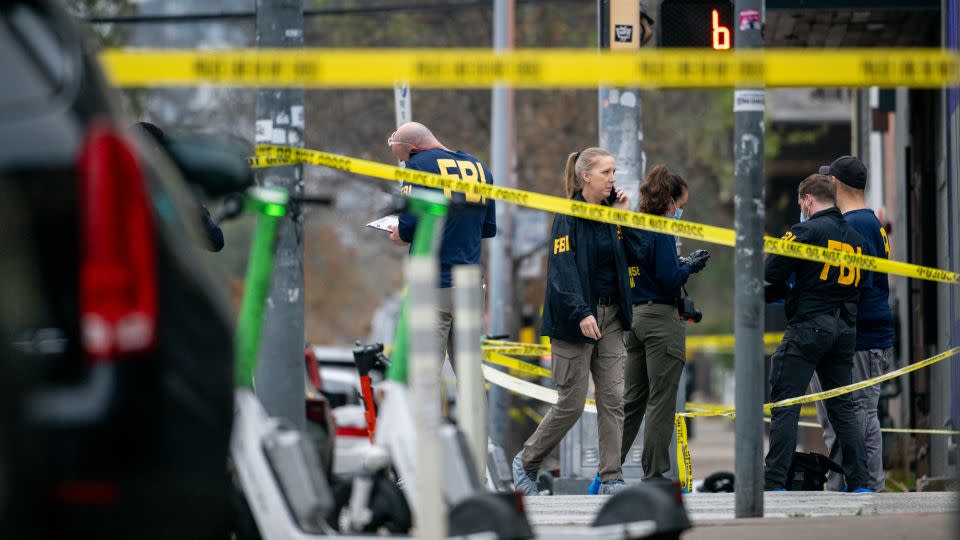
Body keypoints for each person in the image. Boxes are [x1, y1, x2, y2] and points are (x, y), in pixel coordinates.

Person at [511, 147, 633, 496]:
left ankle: (611, 478)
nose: (612, 179)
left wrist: (624, 219)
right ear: (586, 177)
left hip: (612, 318)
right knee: (572, 403)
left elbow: (634, 256)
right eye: (606, 172)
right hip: (573, 321)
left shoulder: (611, 213)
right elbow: (562, 273)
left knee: (613, 400)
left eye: (614, 172)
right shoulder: (568, 216)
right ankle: (527, 461)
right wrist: (581, 312)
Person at [763, 173, 870, 492]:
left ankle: (775, 481)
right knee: (842, 407)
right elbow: (864, 286)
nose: (801, 208)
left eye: (801, 203)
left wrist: (790, 289)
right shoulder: (857, 240)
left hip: (809, 326)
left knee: (786, 400)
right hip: (844, 330)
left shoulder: (806, 231)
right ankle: (860, 482)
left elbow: (771, 271)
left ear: (808, 199)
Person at [619, 165, 709, 481]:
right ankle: (654, 474)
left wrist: (678, 266)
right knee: (661, 401)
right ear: (669, 201)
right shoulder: (662, 230)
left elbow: (647, 270)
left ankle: (607, 469)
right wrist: (690, 266)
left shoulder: (633, 226)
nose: (680, 212)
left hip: (634, 319)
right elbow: (670, 279)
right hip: (660, 321)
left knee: (631, 402)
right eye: (680, 205)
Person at [809, 156, 893, 492]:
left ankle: (867, 486)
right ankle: (848, 484)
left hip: (862, 337)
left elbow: (854, 286)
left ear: (837, 183)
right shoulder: (868, 221)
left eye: (829, 178)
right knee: (851, 414)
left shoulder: (856, 225)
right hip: (862, 336)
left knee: (859, 414)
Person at [385, 122, 496, 367]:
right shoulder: (480, 167)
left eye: (404, 158)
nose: (405, 163)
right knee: (470, 370)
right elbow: (488, 228)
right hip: (471, 284)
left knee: (426, 371)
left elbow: (409, 226)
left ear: (413, 150)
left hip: (434, 282)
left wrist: (401, 233)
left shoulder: (417, 165)